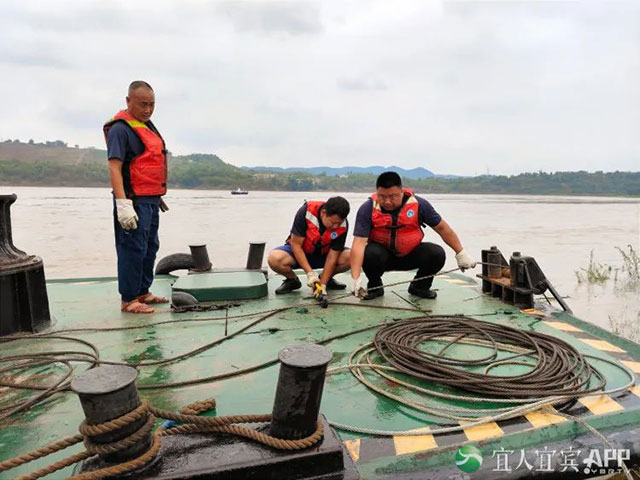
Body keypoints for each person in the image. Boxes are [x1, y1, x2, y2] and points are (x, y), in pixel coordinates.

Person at [350, 171, 476, 300]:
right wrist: (355, 278)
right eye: (382, 196)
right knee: (369, 252)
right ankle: (375, 286)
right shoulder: (367, 209)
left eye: (393, 196)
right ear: (377, 193)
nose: (387, 201)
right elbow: (358, 243)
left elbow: (442, 228)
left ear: (402, 192)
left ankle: (419, 287)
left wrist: (460, 253)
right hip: (382, 258)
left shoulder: (420, 205)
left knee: (436, 253)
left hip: (410, 255)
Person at [104, 80, 169, 314]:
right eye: (143, 104)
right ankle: (129, 299)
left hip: (150, 200)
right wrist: (122, 203)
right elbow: (114, 167)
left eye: (152, 105)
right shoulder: (121, 129)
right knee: (132, 247)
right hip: (132, 201)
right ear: (128, 101)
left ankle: (143, 291)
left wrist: (156, 196)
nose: (148, 110)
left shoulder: (148, 126)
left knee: (150, 246)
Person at [268, 196, 351, 296]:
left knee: (353, 256)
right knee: (274, 258)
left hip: (324, 256)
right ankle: (292, 280)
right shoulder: (306, 212)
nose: (335, 227)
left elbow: (333, 256)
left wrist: (322, 284)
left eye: (339, 223)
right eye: (333, 223)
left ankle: (326, 279)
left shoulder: (343, 225)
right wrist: (310, 274)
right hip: (300, 253)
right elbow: (296, 245)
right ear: (324, 213)